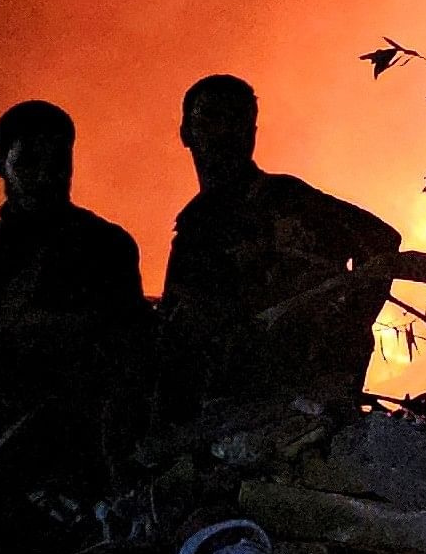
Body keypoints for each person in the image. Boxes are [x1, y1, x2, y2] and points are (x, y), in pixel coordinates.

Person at [0, 100, 150, 508]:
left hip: (81, 464)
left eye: (58, 161)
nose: (46, 176)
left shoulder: (104, 246)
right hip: (8, 457)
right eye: (29, 161)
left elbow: (131, 368)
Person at [157, 74, 401, 421]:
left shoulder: (286, 200)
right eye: (211, 117)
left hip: (286, 401)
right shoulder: (199, 222)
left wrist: (349, 327)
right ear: (186, 132)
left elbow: (381, 241)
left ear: (252, 132)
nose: (225, 131)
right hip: (226, 401)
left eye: (237, 119)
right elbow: (181, 316)